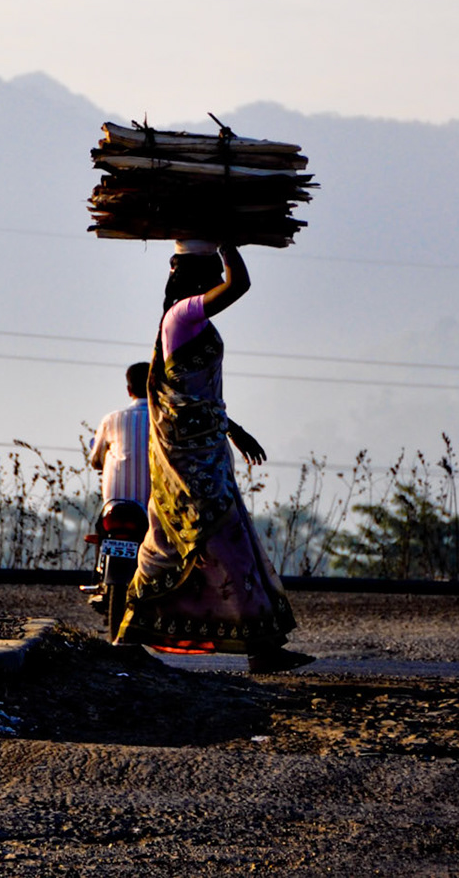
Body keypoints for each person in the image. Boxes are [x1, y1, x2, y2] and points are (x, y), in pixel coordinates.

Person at [116, 241, 313, 674]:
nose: (214, 282)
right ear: (194, 277)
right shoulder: (183, 314)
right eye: (209, 273)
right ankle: (259, 648)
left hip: (204, 450)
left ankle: (132, 636)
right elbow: (238, 283)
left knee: (177, 542)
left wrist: (233, 429)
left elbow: (195, 396)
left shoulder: (185, 319)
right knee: (215, 542)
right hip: (192, 460)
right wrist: (228, 243)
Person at [83, 362, 151, 613]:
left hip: (114, 506)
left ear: (129, 389)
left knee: (103, 532)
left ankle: (101, 577)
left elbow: (95, 459)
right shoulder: (165, 422)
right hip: (151, 509)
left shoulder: (112, 420)